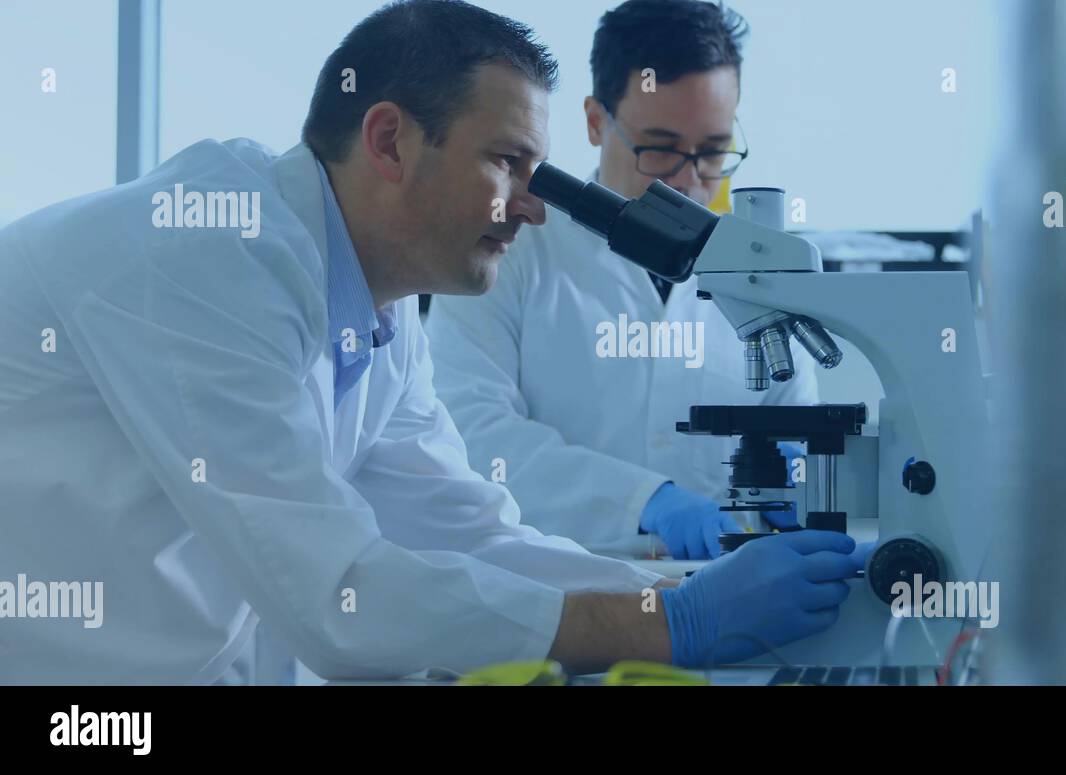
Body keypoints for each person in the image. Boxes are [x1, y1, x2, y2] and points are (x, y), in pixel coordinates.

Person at [0, 0, 860, 684]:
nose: (531, 205)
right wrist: (678, 625)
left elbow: (468, 534)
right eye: (507, 164)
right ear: (388, 140)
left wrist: (682, 590)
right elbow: (339, 592)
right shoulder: (206, 252)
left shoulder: (381, 313)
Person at [425, 0, 819, 560]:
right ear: (594, 121)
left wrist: (807, 478)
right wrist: (647, 502)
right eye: (659, 148)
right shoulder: (504, 250)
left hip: (729, 600)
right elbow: (473, 434)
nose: (687, 181)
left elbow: (799, 434)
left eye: (711, 152)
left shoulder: (762, 277)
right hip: (549, 600)